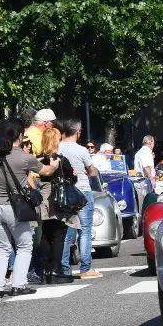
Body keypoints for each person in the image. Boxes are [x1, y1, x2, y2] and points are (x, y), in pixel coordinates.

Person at [0, 120, 60, 298]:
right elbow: (46, 172)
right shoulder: (25, 157)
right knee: (24, 246)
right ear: (20, 137)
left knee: (2, 248)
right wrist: (55, 164)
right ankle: (18, 285)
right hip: (14, 208)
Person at [59, 119, 102, 280]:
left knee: (65, 232)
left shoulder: (57, 147)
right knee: (84, 231)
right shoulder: (82, 150)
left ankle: (64, 269)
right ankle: (85, 268)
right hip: (82, 190)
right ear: (78, 132)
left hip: (64, 192)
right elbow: (92, 171)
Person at [38, 128, 78, 284]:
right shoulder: (60, 159)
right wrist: (73, 175)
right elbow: (71, 179)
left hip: (44, 196)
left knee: (46, 233)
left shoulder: (39, 159)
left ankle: (44, 269)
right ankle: (56, 269)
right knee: (60, 234)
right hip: (59, 198)